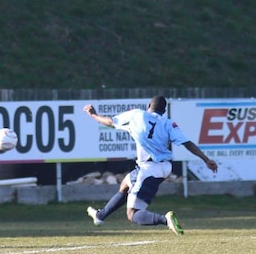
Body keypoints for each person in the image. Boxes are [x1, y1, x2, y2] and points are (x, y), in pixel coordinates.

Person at [83, 96, 218, 235]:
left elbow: (110, 122)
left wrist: (94, 114)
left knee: (132, 213)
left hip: (147, 169)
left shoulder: (136, 114)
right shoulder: (169, 123)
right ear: (164, 111)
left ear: (148, 105)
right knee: (125, 184)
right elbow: (187, 143)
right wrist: (206, 159)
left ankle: (165, 220)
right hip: (165, 168)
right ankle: (100, 216)